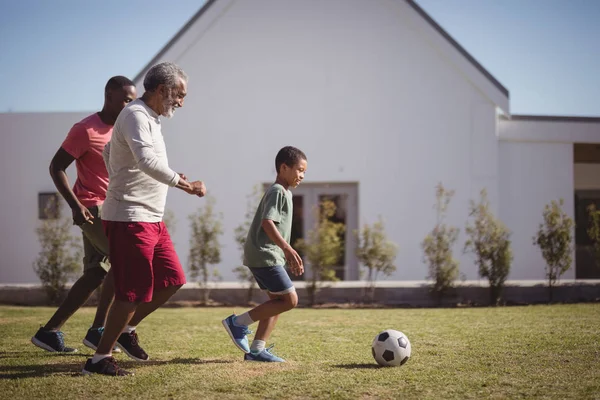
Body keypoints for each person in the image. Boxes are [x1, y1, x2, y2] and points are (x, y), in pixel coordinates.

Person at [82, 62, 206, 376]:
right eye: (179, 94)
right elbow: (147, 161)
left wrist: (126, 179)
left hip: (150, 217)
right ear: (162, 89)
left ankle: (126, 330)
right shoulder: (136, 115)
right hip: (130, 218)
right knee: (132, 291)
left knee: (172, 279)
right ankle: (100, 359)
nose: (181, 102)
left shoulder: (149, 118)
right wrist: (184, 184)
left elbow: (110, 151)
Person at [31, 76, 137, 353]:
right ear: (109, 94)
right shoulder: (86, 130)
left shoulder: (125, 130)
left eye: (133, 100)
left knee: (94, 274)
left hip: (115, 207)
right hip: (93, 208)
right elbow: (56, 167)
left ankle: (49, 332)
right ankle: (98, 331)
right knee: (122, 261)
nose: (130, 105)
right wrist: (75, 205)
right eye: (126, 99)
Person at [222, 146, 307, 362]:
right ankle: (237, 323)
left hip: (267, 255)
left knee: (277, 302)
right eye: (299, 170)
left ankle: (257, 350)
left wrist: (284, 251)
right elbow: (267, 223)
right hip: (264, 254)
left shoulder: (285, 192)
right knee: (290, 300)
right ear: (283, 167)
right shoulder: (278, 190)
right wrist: (288, 249)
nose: (302, 176)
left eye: (305, 172)